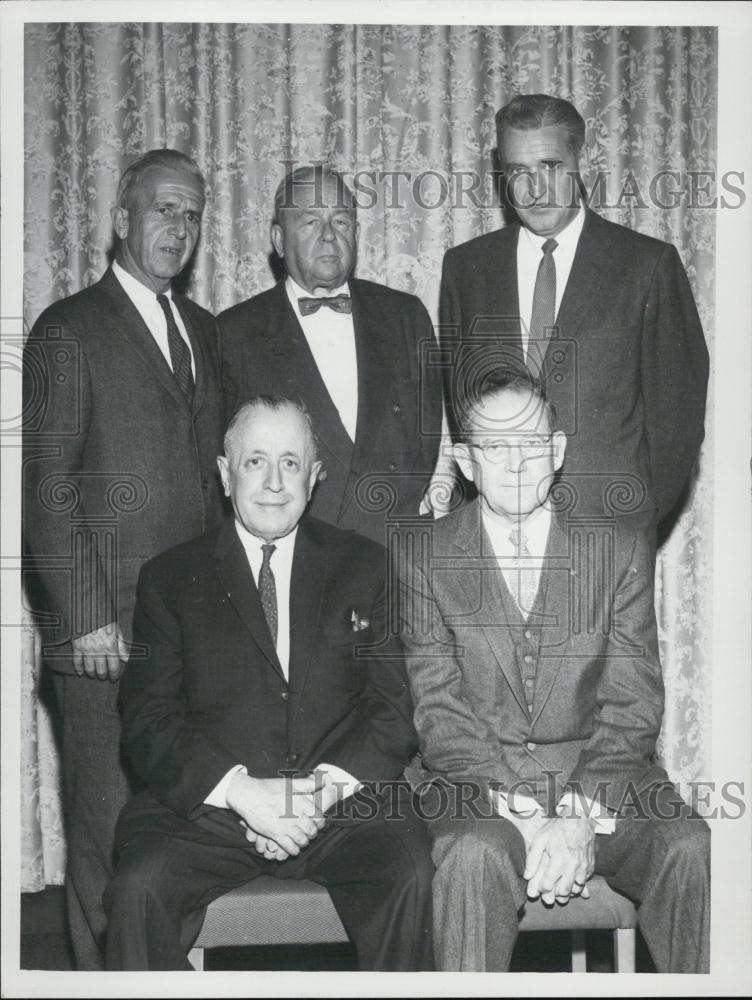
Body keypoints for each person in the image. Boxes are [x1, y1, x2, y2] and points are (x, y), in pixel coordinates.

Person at [104, 396, 435, 971]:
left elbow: (392, 708)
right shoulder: (169, 577)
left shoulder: (367, 567)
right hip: (214, 810)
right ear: (225, 474)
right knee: (139, 890)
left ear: (316, 475)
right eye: (256, 461)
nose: (275, 482)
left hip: (339, 804)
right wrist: (244, 793)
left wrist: (319, 791)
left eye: (291, 462)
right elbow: (149, 719)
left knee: (408, 874)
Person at [399, 369, 710, 972]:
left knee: (690, 847)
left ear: (558, 451)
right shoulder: (423, 556)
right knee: (472, 856)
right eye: (494, 446)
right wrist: (530, 814)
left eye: (531, 443)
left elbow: (633, 704)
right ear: (465, 461)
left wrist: (576, 815)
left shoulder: (616, 550)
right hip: (478, 786)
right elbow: (439, 715)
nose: (516, 463)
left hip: (599, 779)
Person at [22, 149, 226, 969]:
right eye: (162, 209)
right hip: (103, 643)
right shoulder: (68, 328)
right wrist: (86, 618)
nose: (177, 227)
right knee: (106, 842)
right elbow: (45, 489)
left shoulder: (204, 331)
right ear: (120, 221)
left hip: (190, 641)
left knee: (170, 847)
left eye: (191, 214)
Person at [439, 93, 709, 526]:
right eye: (518, 171)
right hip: (497, 535)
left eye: (550, 167)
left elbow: (677, 421)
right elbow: (463, 404)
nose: (535, 189)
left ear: (583, 163)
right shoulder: (466, 267)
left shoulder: (646, 265)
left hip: (608, 535)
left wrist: (633, 524)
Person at [218, 164, 443, 545]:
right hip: (299, 551)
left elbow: (426, 438)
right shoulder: (235, 332)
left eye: (341, 221)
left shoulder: (405, 315)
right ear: (278, 239)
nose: (328, 236)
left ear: (356, 233)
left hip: (396, 547)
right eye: (310, 222)